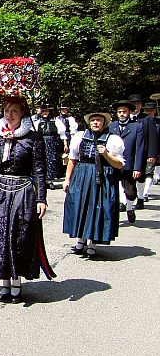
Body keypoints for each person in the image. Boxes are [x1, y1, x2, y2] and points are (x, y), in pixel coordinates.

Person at [0, 56, 55, 304]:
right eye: (7, 111)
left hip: (23, 192)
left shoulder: (33, 138)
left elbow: (40, 169)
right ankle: (4, 282)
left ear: (23, 113)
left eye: (14, 111)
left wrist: (42, 198)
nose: (9, 115)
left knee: (19, 235)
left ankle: (17, 281)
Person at [63, 110, 125, 258]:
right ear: (89, 123)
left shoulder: (112, 139)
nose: (96, 123)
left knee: (98, 208)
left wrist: (106, 154)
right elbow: (72, 159)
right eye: (93, 120)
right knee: (80, 205)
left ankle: (93, 242)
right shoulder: (80, 136)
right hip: (82, 175)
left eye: (99, 120)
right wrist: (67, 179)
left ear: (104, 123)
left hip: (102, 177)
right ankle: (80, 240)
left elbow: (119, 164)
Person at [109, 100, 145, 223]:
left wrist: (138, 168)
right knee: (111, 191)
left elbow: (140, 149)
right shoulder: (111, 126)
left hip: (129, 164)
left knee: (130, 192)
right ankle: (113, 215)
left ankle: (130, 208)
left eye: (124, 111)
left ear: (129, 112)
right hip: (113, 163)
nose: (122, 114)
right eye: (119, 112)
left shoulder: (137, 127)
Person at [33, 104, 67, 189]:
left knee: (52, 161)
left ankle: (50, 180)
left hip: (52, 144)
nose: (45, 113)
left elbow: (62, 134)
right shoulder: (37, 121)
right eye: (43, 111)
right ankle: (42, 180)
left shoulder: (55, 121)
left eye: (47, 111)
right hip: (41, 142)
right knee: (41, 161)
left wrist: (65, 144)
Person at [133, 101, 159, 208]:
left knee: (145, 174)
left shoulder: (149, 120)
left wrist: (152, 154)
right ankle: (125, 201)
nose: (149, 112)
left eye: (138, 104)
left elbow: (153, 137)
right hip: (130, 152)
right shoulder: (126, 119)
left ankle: (142, 196)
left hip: (146, 151)